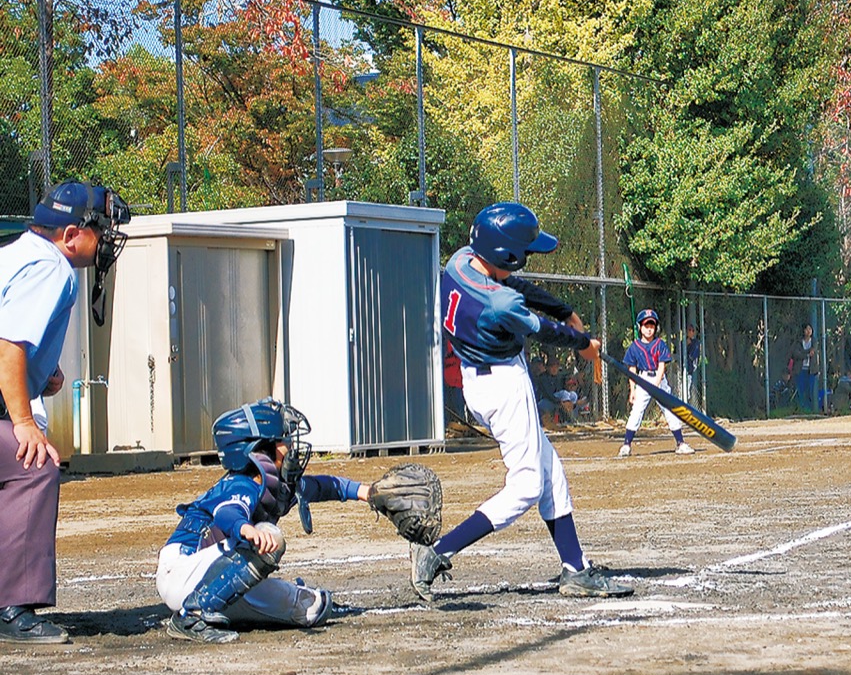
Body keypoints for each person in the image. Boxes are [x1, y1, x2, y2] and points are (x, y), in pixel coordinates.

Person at [411, 201, 632, 602]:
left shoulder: (460, 262)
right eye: (523, 252)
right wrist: (584, 343)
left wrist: (564, 310)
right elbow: (542, 329)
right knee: (528, 484)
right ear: (505, 254)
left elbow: (517, 286)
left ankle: (575, 568)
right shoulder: (498, 303)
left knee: (551, 471)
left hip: (479, 382)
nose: (526, 257)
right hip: (504, 387)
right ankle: (438, 551)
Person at [0, 180, 130, 645]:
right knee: (33, 465)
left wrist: (41, 374)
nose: (107, 239)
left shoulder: (18, 252)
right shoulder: (51, 267)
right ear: (71, 234)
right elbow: (8, 346)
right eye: (100, 230)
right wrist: (22, 422)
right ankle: (12, 608)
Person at [157, 398, 372, 643]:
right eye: (283, 440)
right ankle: (190, 616)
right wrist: (246, 529)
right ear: (261, 450)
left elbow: (326, 486)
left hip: (214, 576)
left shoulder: (275, 485)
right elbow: (228, 513)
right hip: (181, 572)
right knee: (270, 536)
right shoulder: (240, 484)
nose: (291, 446)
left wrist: (369, 492)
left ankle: (216, 610)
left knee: (314, 608)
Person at [617, 309, 696, 457]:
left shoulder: (660, 344)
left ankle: (680, 443)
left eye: (652, 326)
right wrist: (632, 390)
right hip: (643, 379)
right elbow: (632, 370)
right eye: (646, 325)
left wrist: (657, 384)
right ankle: (626, 444)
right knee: (637, 411)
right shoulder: (634, 347)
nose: (649, 329)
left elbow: (661, 366)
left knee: (670, 410)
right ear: (640, 327)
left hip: (659, 379)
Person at [797, 323, 819, 410]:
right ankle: (802, 408)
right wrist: (806, 354)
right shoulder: (799, 342)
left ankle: (810, 409)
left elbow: (813, 351)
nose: (809, 331)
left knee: (810, 390)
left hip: (811, 370)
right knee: (801, 389)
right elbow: (797, 353)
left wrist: (804, 352)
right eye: (807, 329)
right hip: (801, 369)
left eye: (810, 329)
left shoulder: (814, 341)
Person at [684, 323, 701, 406]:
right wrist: (685, 345)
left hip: (689, 368)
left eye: (693, 330)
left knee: (687, 389)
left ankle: (687, 403)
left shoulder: (696, 343)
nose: (691, 332)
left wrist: (689, 345)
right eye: (689, 330)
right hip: (681, 368)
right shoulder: (683, 342)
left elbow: (692, 356)